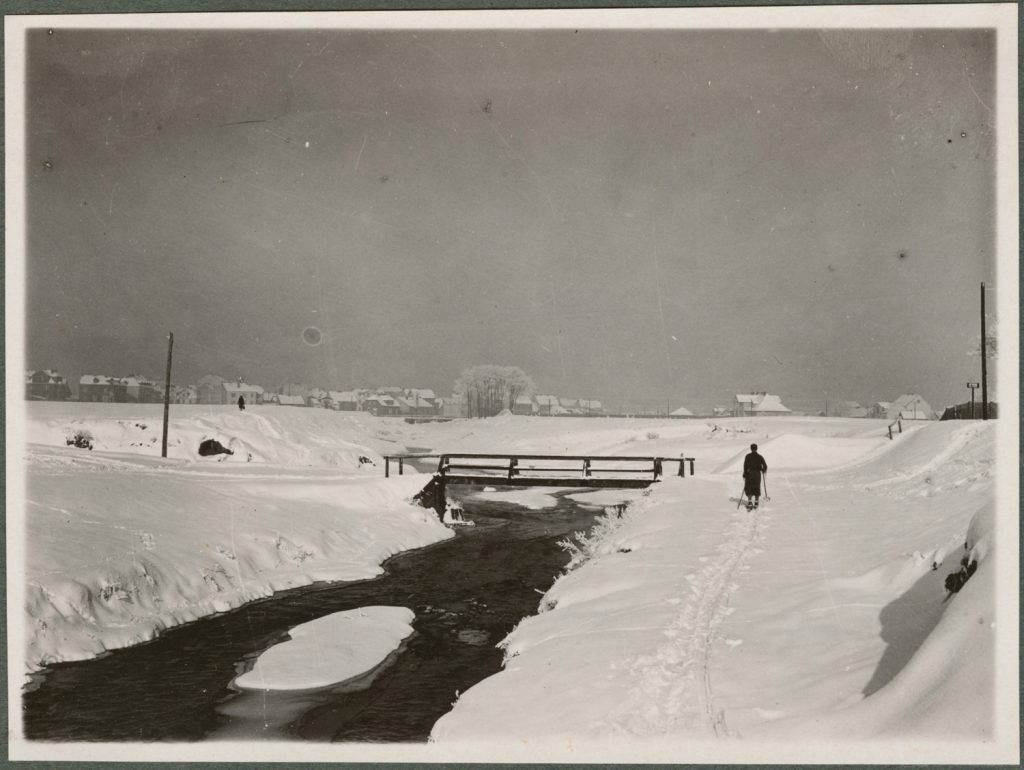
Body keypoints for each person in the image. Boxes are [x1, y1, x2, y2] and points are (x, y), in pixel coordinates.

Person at [742, 443, 767, 509]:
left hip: (749, 474)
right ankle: (756, 503)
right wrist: (763, 470)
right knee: (756, 487)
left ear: (751, 449)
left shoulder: (747, 456)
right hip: (757, 474)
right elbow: (765, 466)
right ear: (756, 449)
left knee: (749, 487)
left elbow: (745, 466)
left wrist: (745, 474)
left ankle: (750, 503)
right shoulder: (760, 457)